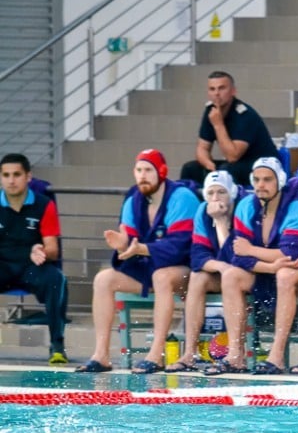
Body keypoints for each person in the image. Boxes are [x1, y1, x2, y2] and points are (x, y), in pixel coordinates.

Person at [76, 149, 200, 373]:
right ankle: (101, 355)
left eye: (148, 170)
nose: (143, 175)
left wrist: (141, 248)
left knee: (161, 276)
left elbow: (181, 245)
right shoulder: (133, 199)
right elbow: (130, 241)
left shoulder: (182, 198)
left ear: (161, 171)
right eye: (139, 170)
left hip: (187, 272)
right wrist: (123, 245)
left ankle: (156, 354)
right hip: (149, 268)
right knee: (104, 279)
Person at [208, 157, 298, 375]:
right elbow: (235, 255)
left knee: (285, 275)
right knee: (231, 275)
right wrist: (268, 266)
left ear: (280, 181)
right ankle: (235, 355)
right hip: (267, 270)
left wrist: (251, 251)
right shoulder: (246, 206)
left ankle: (276, 356)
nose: (260, 185)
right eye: (257, 179)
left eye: (267, 179)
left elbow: (291, 255)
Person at [165, 171, 241, 372]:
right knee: (197, 277)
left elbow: (236, 258)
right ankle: (190, 353)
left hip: (247, 274)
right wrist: (220, 266)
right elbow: (198, 256)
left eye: (221, 192)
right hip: (224, 272)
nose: (215, 199)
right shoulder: (202, 211)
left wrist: (222, 223)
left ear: (232, 193)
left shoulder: (243, 207)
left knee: (231, 276)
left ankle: (235, 354)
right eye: (211, 193)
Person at [0, 153, 68, 365]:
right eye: (6, 175)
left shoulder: (44, 204)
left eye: (17, 174)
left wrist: (41, 250)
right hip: (3, 266)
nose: (11, 180)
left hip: (32, 268)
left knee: (57, 280)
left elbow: (53, 250)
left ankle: (57, 345)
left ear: (28, 176)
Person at [179, 71, 279, 187]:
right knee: (190, 168)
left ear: (233, 91)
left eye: (221, 88)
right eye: (212, 89)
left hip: (261, 163)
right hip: (236, 164)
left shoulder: (244, 115)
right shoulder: (211, 111)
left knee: (226, 171)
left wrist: (218, 125)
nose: (217, 93)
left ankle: (226, 204)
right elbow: (202, 148)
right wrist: (208, 164)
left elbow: (232, 156)